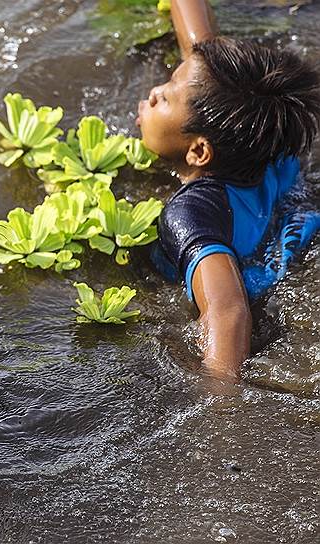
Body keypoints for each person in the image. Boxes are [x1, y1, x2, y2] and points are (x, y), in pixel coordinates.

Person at [138, 0, 320, 381]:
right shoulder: (270, 139)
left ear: (199, 151)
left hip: (265, 299)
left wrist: (220, 401)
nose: (155, 93)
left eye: (167, 96)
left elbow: (228, 308)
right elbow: (201, 56)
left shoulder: (190, 213)